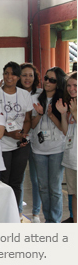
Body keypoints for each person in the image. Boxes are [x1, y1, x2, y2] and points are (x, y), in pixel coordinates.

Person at [0, 61, 33, 221]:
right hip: (2, 145)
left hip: (20, 145)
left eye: (13, 74)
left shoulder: (24, 95)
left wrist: (23, 135)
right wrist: (9, 134)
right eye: (6, 73)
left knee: (17, 181)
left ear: (18, 77)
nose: (9, 77)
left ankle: (16, 214)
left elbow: (27, 119)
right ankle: (2, 216)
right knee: (4, 182)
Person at [31, 66, 67, 223]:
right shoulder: (37, 97)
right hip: (38, 149)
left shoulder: (62, 99)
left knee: (55, 188)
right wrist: (40, 114)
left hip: (57, 148)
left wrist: (51, 114)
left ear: (58, 83)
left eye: (52, 80)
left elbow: (63, 128)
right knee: (43, 188)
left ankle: (55, 221)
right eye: (46, 78)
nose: (47, 82)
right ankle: (48, 219)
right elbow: (32, 125)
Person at [16, 63, 42, 223]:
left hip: (38, 141)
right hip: (19, 139)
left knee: (36, 178)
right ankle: (18, 211)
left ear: (35, 77)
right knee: (19, 177)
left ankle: (36, 213)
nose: (27, 78)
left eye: (30, 75)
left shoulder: (40, 94)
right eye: (24, 75)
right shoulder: (14, 93)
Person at [56, 71, 77, 223]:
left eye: (75, 85)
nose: (71, 88)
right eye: (69, 85)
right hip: (71, 157)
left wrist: (75, 113)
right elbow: (65, 131)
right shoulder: (71, 105)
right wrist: (64, 114)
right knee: (74, 194)